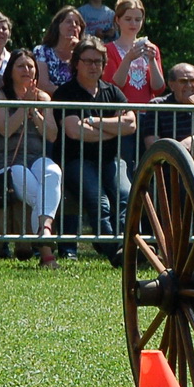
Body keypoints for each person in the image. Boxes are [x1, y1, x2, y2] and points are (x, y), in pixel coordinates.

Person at [55, 36, 137, 262]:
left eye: (98, 62)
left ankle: (125, 245)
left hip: (111, 158)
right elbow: (75, 131)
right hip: (76, 160)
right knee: (99, 200)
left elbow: (130, 124)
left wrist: (95, 122)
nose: (93, 66)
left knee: (124, 195)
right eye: (88, 61)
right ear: (76, 63)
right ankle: (114, 250)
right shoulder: (66, 93)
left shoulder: (112, 92)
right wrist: (113, 128)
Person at [0, 48, 61, 268]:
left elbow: (52, 135)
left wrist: (35, 110)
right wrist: (24, 105)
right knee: (24, 176)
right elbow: (5, 130)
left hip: (35, 158)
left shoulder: (43, 97)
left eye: (30, 66)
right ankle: (46, 251)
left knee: (53, 171)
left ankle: (43, 231)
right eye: (20, 66)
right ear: (10, 71)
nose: (26, 70)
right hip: (4, 162)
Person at [104, 0, 165, 106]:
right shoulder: (108, 50)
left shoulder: (152, 48)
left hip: (148, 114)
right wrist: (128, 59)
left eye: (138, 20)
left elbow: (159, 88)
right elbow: (112, 87)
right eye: (128, 19)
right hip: (121, 114)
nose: (133, 24)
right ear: (118, 20)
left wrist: (152, 61)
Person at [36, 6, 84, 95]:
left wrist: (79, 50)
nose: (73, 25)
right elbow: (43, 85)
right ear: (58, 25)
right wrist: (70, 95)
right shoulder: (42, 51)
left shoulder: (84, 53)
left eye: (77, 23)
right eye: (69, 21)